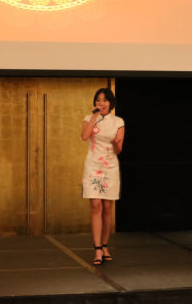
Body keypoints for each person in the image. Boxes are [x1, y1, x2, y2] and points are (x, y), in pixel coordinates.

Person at [81, 88, 125, 265]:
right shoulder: (88, 118)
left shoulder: (118, 122)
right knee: (96, 206)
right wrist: (94, 116)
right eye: (98, 100)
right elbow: (84, 136)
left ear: (111, 103)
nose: (101, 103)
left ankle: (105, 246)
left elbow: (118, 150)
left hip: (110, 166)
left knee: (107, 207)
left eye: (105, 100)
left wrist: (115, 143)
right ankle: (97, 249)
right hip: (93, 166)